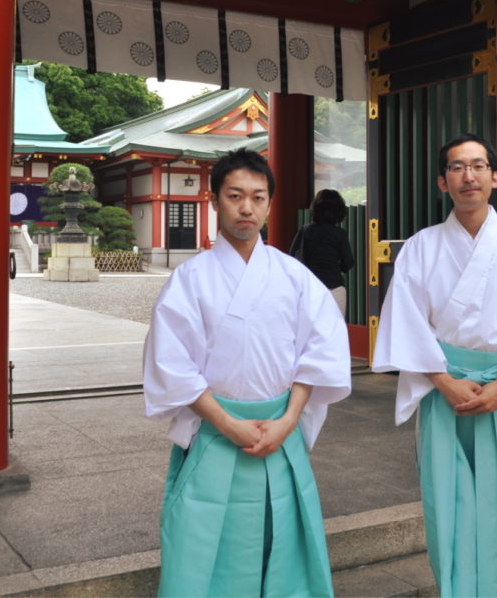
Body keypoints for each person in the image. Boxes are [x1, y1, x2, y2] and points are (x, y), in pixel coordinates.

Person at [143, 148, 352, 598]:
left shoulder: (294, 276)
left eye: (258, 197)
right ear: (214, 199)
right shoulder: (189, 280)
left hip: (280, 429)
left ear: (270, 205)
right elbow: (172, 364)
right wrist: (228, 423)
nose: (246, 207)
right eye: (234, 195)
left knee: (284, 549)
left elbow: (319, 352)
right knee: (205, 554)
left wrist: (290, 419)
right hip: (216, 432)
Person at [372, 133, 497, 597]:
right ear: (443, 181)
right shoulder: (420, 246)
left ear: (495, 178)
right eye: (457, 167)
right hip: (446, 391)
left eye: (479, 166)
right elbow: (406, 319)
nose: (469, 175)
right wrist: (442, 380)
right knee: (449, 501)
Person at [290, 188, 355, 316]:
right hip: (335, 287)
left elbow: (292, 257)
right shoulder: (339, 234)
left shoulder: (305, 231)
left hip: (310, 289)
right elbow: (348, 263)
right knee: (335, 332)